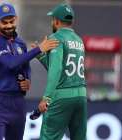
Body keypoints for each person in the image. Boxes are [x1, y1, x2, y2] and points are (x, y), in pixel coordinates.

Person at [0, 3, 59, 140]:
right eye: (4, 22)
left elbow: (25, 66)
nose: (8, 25)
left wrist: (27, 79)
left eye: (11, 21)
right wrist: (39, 49)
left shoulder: (20, 43)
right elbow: (11, 63)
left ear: (16, 19)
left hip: (18, 102)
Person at [35, 3, 87, 140]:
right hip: (81, 95)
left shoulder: (56, 38)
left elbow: (56, 70)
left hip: (61, 96)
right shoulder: (79, 40)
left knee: (48, 137)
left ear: (56, 21)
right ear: (72, 21)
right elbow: (62, 68)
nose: (52, 22)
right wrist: (41, 56)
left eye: (52, 19)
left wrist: (46, 97)